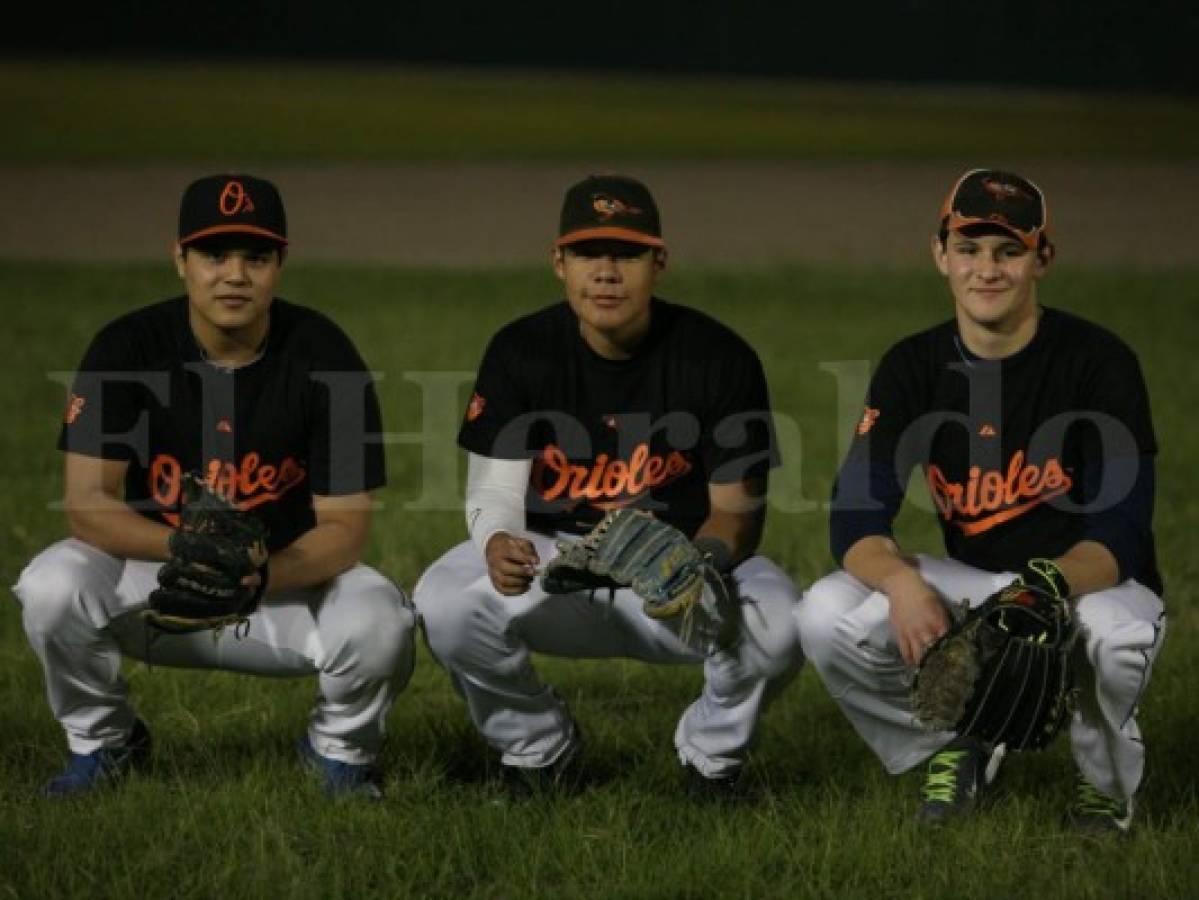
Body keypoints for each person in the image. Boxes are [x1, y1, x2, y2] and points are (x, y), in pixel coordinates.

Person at [14, 174, 415, 800]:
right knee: (50, 584)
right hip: (160, 576)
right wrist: (187, 548)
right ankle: (104, 741)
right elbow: (87, 505)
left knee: (381, 619)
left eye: (255, 257)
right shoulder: (127, 346)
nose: (234, 274)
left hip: (281, 584)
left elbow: (345, 531)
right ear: (180, 260)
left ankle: (339, 750)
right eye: (213, 255)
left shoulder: (324, 354)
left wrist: (257, 575)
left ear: (281, 263)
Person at [796, 168, 1165, 833]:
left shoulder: (1097, 362)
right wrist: (903, 584)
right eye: (968, 249)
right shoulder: (913, 367)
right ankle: (949, 748)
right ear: (940, 255)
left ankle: (1103, 787)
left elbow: (1123, 532)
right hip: (981, 585)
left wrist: (1044, 586)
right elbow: (854, 513)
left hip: (1091, 585)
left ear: (1041, 259)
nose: (985, 269)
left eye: (1008, 251)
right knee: (827, 613)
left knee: (1115, 637)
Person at [413, 174, 802, 791]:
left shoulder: (718, 357)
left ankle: (711, 755)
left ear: (659, 262)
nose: (607, 271)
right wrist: (497, 542)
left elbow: (739, 511)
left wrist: (697, 562)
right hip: (556, 565)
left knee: (780, 622)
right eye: (590, 253)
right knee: (444, 601)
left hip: (676, 574)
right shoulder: (522, 350)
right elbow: (494, 494)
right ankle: (537, 747)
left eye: (626, 254)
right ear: (559, 263)